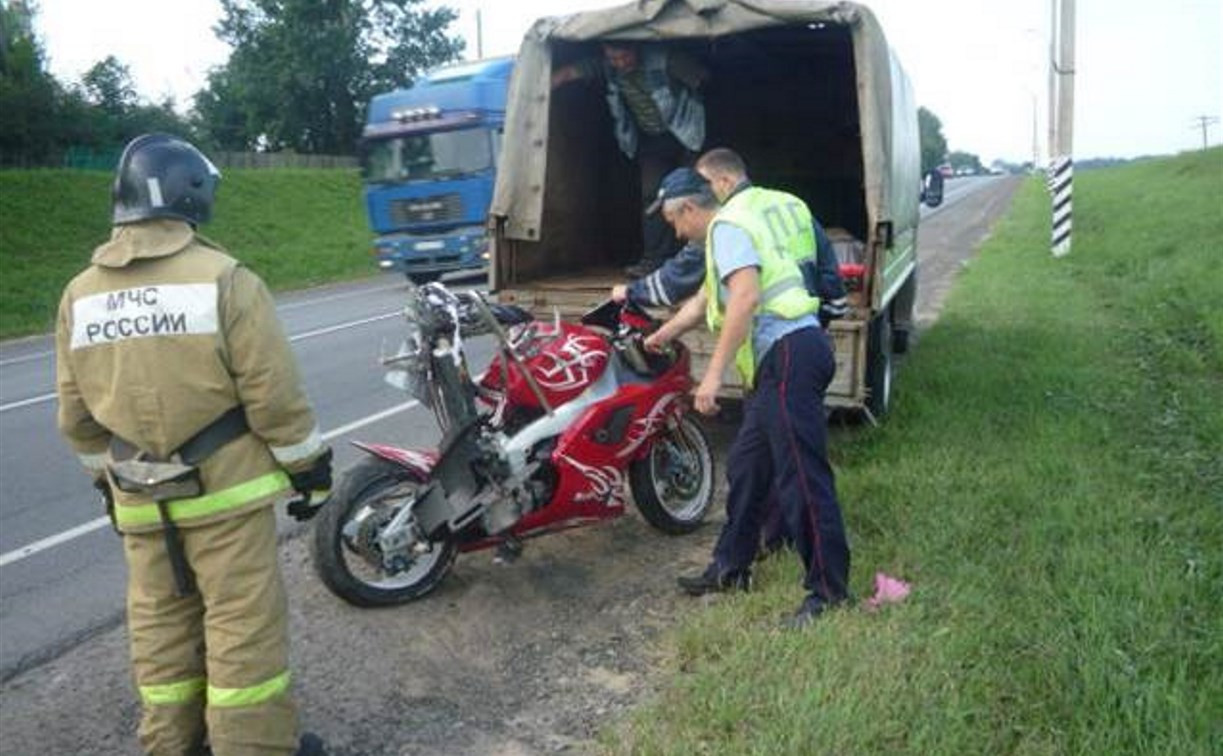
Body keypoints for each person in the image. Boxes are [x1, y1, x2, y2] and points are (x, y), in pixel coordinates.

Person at [55, 134, 331, 755]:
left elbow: (76, 415)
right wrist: (310, 470)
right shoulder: (225, 280)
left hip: (141, 502)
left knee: (161, 633)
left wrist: (109, 482)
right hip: (226, 496)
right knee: (242, 631)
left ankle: (171, 746)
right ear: (192, 193)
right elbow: (274, 396)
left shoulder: (80, 294)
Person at [643, 162, 851, 629]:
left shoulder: (728, 228)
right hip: (789, 356)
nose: (677, 234)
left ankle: (829, 592)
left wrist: (713, 375)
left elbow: (745, 299)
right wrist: (662, 334)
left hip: (790, 355)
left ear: (691, 209)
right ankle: (730, 568)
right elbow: (705, 301)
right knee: (747, 467)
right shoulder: (745, 221)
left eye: (675, 222)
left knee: (802, 477)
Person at [553, 42, 707, 277]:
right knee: (651, 196)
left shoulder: (665, 59)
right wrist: (533, 92)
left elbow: (704, 79)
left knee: (692, 194)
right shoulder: (608, 66)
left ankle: (701, 257)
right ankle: (653, 260)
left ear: (637, 49)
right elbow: (568, 73)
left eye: (624, 57)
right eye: (613, 59)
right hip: (652, 139)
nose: (619, 64)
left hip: (685, 133)